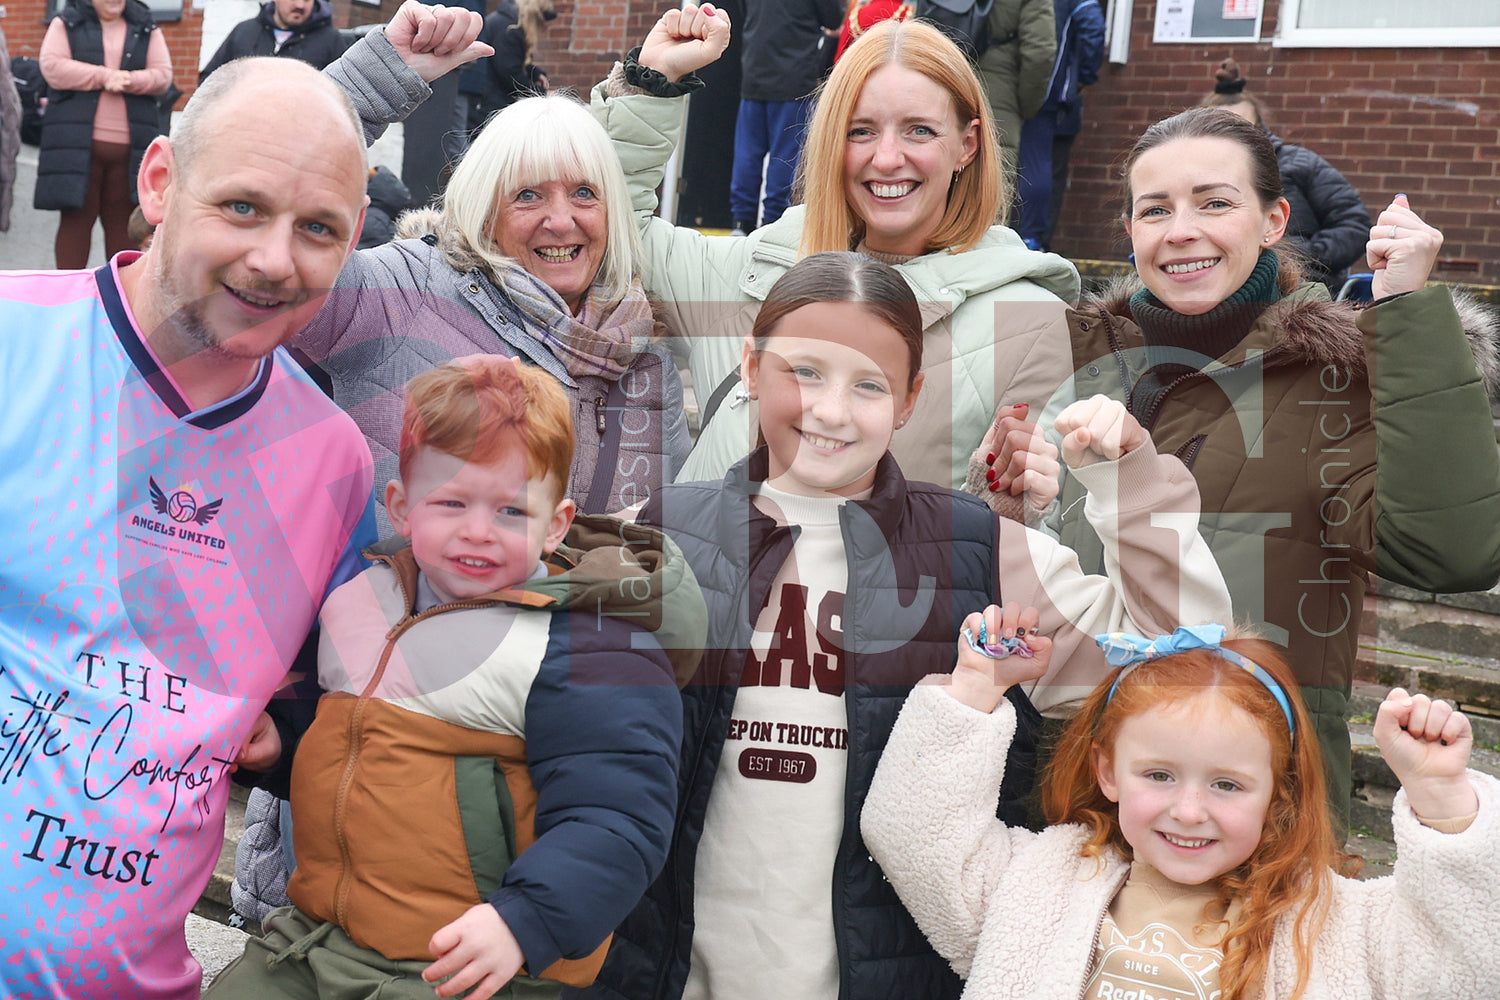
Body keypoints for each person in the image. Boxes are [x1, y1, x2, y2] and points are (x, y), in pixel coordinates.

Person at [577, 251, 1233, 1000]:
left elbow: (1185, 671)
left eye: (868, 385)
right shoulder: (652, 538)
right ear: (752, 369)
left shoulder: (982, 552)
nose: (830, 410)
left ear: (911, 397)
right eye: (805, 372)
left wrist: (1132, 481)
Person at [0, 6, 488, 998]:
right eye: (242, 208)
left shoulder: (334, 466)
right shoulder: (13, 344)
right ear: (160, 184)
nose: (276, 260)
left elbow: (332, 719)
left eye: (316, 230)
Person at [1050, 106, 1500, 824]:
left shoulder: (1333, 378)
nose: (1181, 231)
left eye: (1215, 203)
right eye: (1155, 209)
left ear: (1274, 220)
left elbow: (1450, 554)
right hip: (1075, 784)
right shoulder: (1078, 365)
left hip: (1257, 809)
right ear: (1129, 230)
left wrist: (1409, 313)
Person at [203, 356, 698, 1000]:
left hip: (472, 966)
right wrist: (278, 751)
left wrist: (524, 923)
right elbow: (352, 747)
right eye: (452, 502)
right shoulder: (360, 601)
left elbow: (617, 819)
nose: (477, 531)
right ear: (403, 506)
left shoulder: (590, 648)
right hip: (319, 935)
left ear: (557, 523)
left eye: (511, 512)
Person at [863, 622, 1499, 999]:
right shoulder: (1039, 883)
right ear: (1107, 770)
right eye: (1159, 775)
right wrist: (976, 688)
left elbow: (1471, 962)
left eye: (1227, 785)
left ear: (1278, 789)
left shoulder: (1338, 925)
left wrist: (1441, 799)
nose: (1189, 811)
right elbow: (918, 838)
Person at [592, 6, 1079, 493]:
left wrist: (1004, 511)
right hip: (691, 567)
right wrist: (650, 83)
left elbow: (1035, 535)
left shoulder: (1028, 322)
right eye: (860, 130)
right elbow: (607, 231)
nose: (886, 158)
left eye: (920, 130)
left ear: (967, 145)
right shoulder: (764, 264)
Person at [294, 93, 689, 531]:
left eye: (584, 193)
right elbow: (284, 251)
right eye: (528, 195)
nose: (560, 220)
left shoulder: (645, 355)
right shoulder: (405, 292)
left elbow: (674, 539)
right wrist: (383, 78)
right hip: (403, 599)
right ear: (485, 212)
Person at [1200, 58, 1372, 291]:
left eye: (1242, 127)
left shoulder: (1299, 163)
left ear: (1259, 126)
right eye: (1222, 129)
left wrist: (1302, 257)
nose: (1233, 138)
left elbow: (1354, 224)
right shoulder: (1194, 176)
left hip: (1301, 290)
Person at [35, 0, 172, 269]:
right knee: (75, 221)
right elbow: (53, 67)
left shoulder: (146, 27)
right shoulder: (66, 23)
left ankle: (120, 299)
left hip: (132, 152)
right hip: (75, 147)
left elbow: (163, 75)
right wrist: (104, 76)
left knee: (124, 225)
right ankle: (69, 296)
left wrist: (128, 80)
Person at [728, 0, 843, 235]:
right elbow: (833, 19)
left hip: (754, 75)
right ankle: (773, 226)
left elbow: (743, 11)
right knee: (785, 159)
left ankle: (740, 224)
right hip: (794, 81)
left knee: (747, 155)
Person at [1013, 0, 1104, 251]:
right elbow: (1094, 28)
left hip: (1005, 84)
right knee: (1039, 164)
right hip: (1049, 90)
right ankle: (1030, 240)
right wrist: (1085, 75)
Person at [975, 0, 1054, 193]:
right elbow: (1040, 52)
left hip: (942, 81)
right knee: (991, 188)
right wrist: (1026, 106)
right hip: (997, 93)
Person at [460, 0, 556, 136]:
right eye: (542, 24)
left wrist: (535, 74)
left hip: (486, 95)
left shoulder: (506, 23)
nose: (544, 29)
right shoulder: (509, 29)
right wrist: (540, 92)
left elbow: (510, 59)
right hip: (488, 99)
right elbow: (510, 72)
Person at [198, 0, 348, 82]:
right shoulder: (245, 31)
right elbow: (209, 79)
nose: (300, 5)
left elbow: (345, 96)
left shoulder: (331, 40)